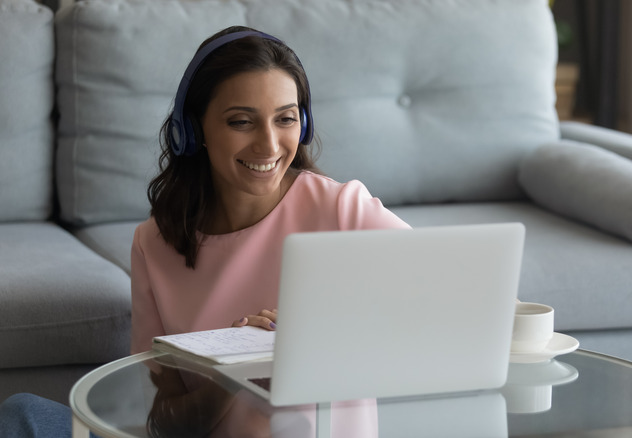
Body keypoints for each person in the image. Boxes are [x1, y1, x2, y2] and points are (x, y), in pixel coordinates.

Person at [0, 25, 408, 438]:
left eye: (285, 118)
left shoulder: (341, 211)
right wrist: (232, 371)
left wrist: (320, 327)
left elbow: (451, 295)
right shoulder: (154, 243)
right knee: (23, 414)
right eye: (241, 122)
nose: (268, 146)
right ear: (194, 131)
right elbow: (163, 423)